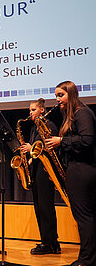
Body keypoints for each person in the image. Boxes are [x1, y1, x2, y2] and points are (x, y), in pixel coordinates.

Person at [46, 81, 96, 266]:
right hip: (79, 168)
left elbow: (87, 140)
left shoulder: (82, 112)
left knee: (84, 216)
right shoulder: (73, 114)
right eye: (56, 95)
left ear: (71, 94)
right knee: (86, 216)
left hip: (82, 169)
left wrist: (62, 141)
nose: (57, 99)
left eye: (61, 95)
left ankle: (86, 260)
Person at [20, 98, 61, 255]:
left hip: (45, 170)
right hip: (37, 169)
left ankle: (51, 243)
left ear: (42, 110)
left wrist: (31, 149)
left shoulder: (49, 125)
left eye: (33, 110)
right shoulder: (34, 129)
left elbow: (48, 148)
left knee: (45, 207)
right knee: (40, 207)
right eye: (29, 110)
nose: (30, 113)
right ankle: (47, 241)